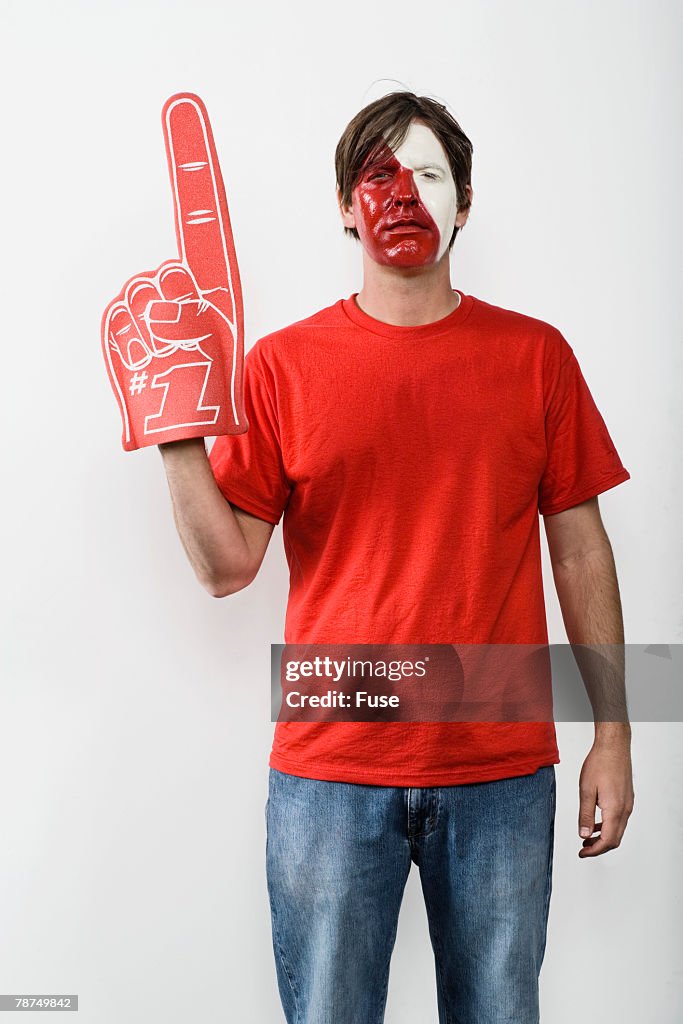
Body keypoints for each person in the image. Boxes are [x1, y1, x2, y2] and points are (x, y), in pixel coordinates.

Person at [158, 91, 635, 1024]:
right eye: (380, 173)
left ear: (463, 201)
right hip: (331, 765)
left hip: (498, 767)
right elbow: (226, 568)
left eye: (427, 174)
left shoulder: (535, 358)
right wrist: (177, 433)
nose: (404, 192)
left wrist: (612, 736)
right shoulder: (281, 366)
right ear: (345, 205)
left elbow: (580, 553)